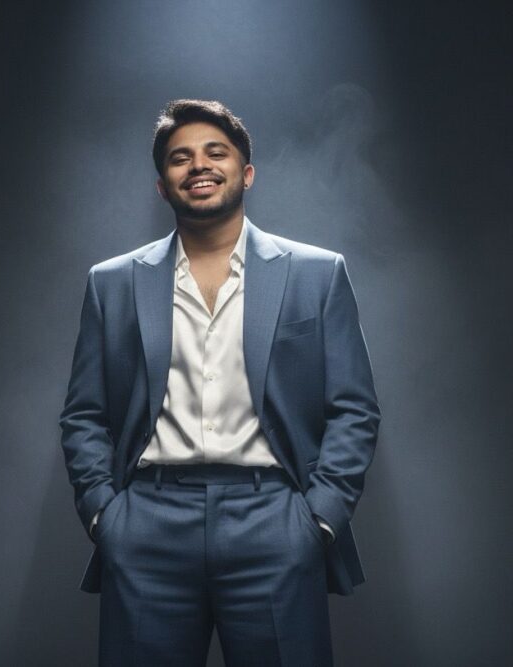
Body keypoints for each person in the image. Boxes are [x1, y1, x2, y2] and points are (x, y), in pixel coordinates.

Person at [59, 98, 381, 667]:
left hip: (274, 522)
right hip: (147, 524)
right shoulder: (111, 284)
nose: (198, 165)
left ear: (246, 172)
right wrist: (103, 514)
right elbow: (85, 413)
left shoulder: (316, 273)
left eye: (216, 152)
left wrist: (319, 519)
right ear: (163, 185)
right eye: (180, 158)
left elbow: (354, 407)